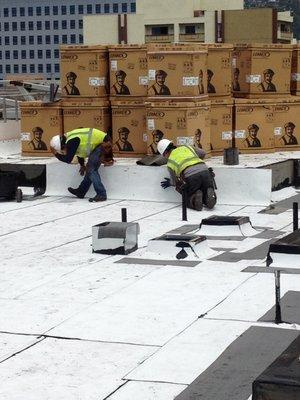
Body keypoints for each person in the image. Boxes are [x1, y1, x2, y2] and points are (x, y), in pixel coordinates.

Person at [50, 128, 113, 202]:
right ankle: (81, 191)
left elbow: (68, 159)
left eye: (62, 150)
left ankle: (101, 194)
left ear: (62, 146)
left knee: (91, 169)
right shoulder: (70, 139)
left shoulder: (71, 141)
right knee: (90, 170)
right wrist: (82, 165)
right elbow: (80, 151)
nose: (64, 152)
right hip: (101, 143)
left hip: (104, 143)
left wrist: (56, 154)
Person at [157, 139, 217, 211]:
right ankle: (209, 196)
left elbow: (174, 182)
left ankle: (194, 199)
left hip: (191, 177)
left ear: (164, 153)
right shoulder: (187, 147)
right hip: (205, 171)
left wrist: (170, 183)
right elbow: (203, 153)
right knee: (206, 189)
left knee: (184, 192)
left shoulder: (170, 163)